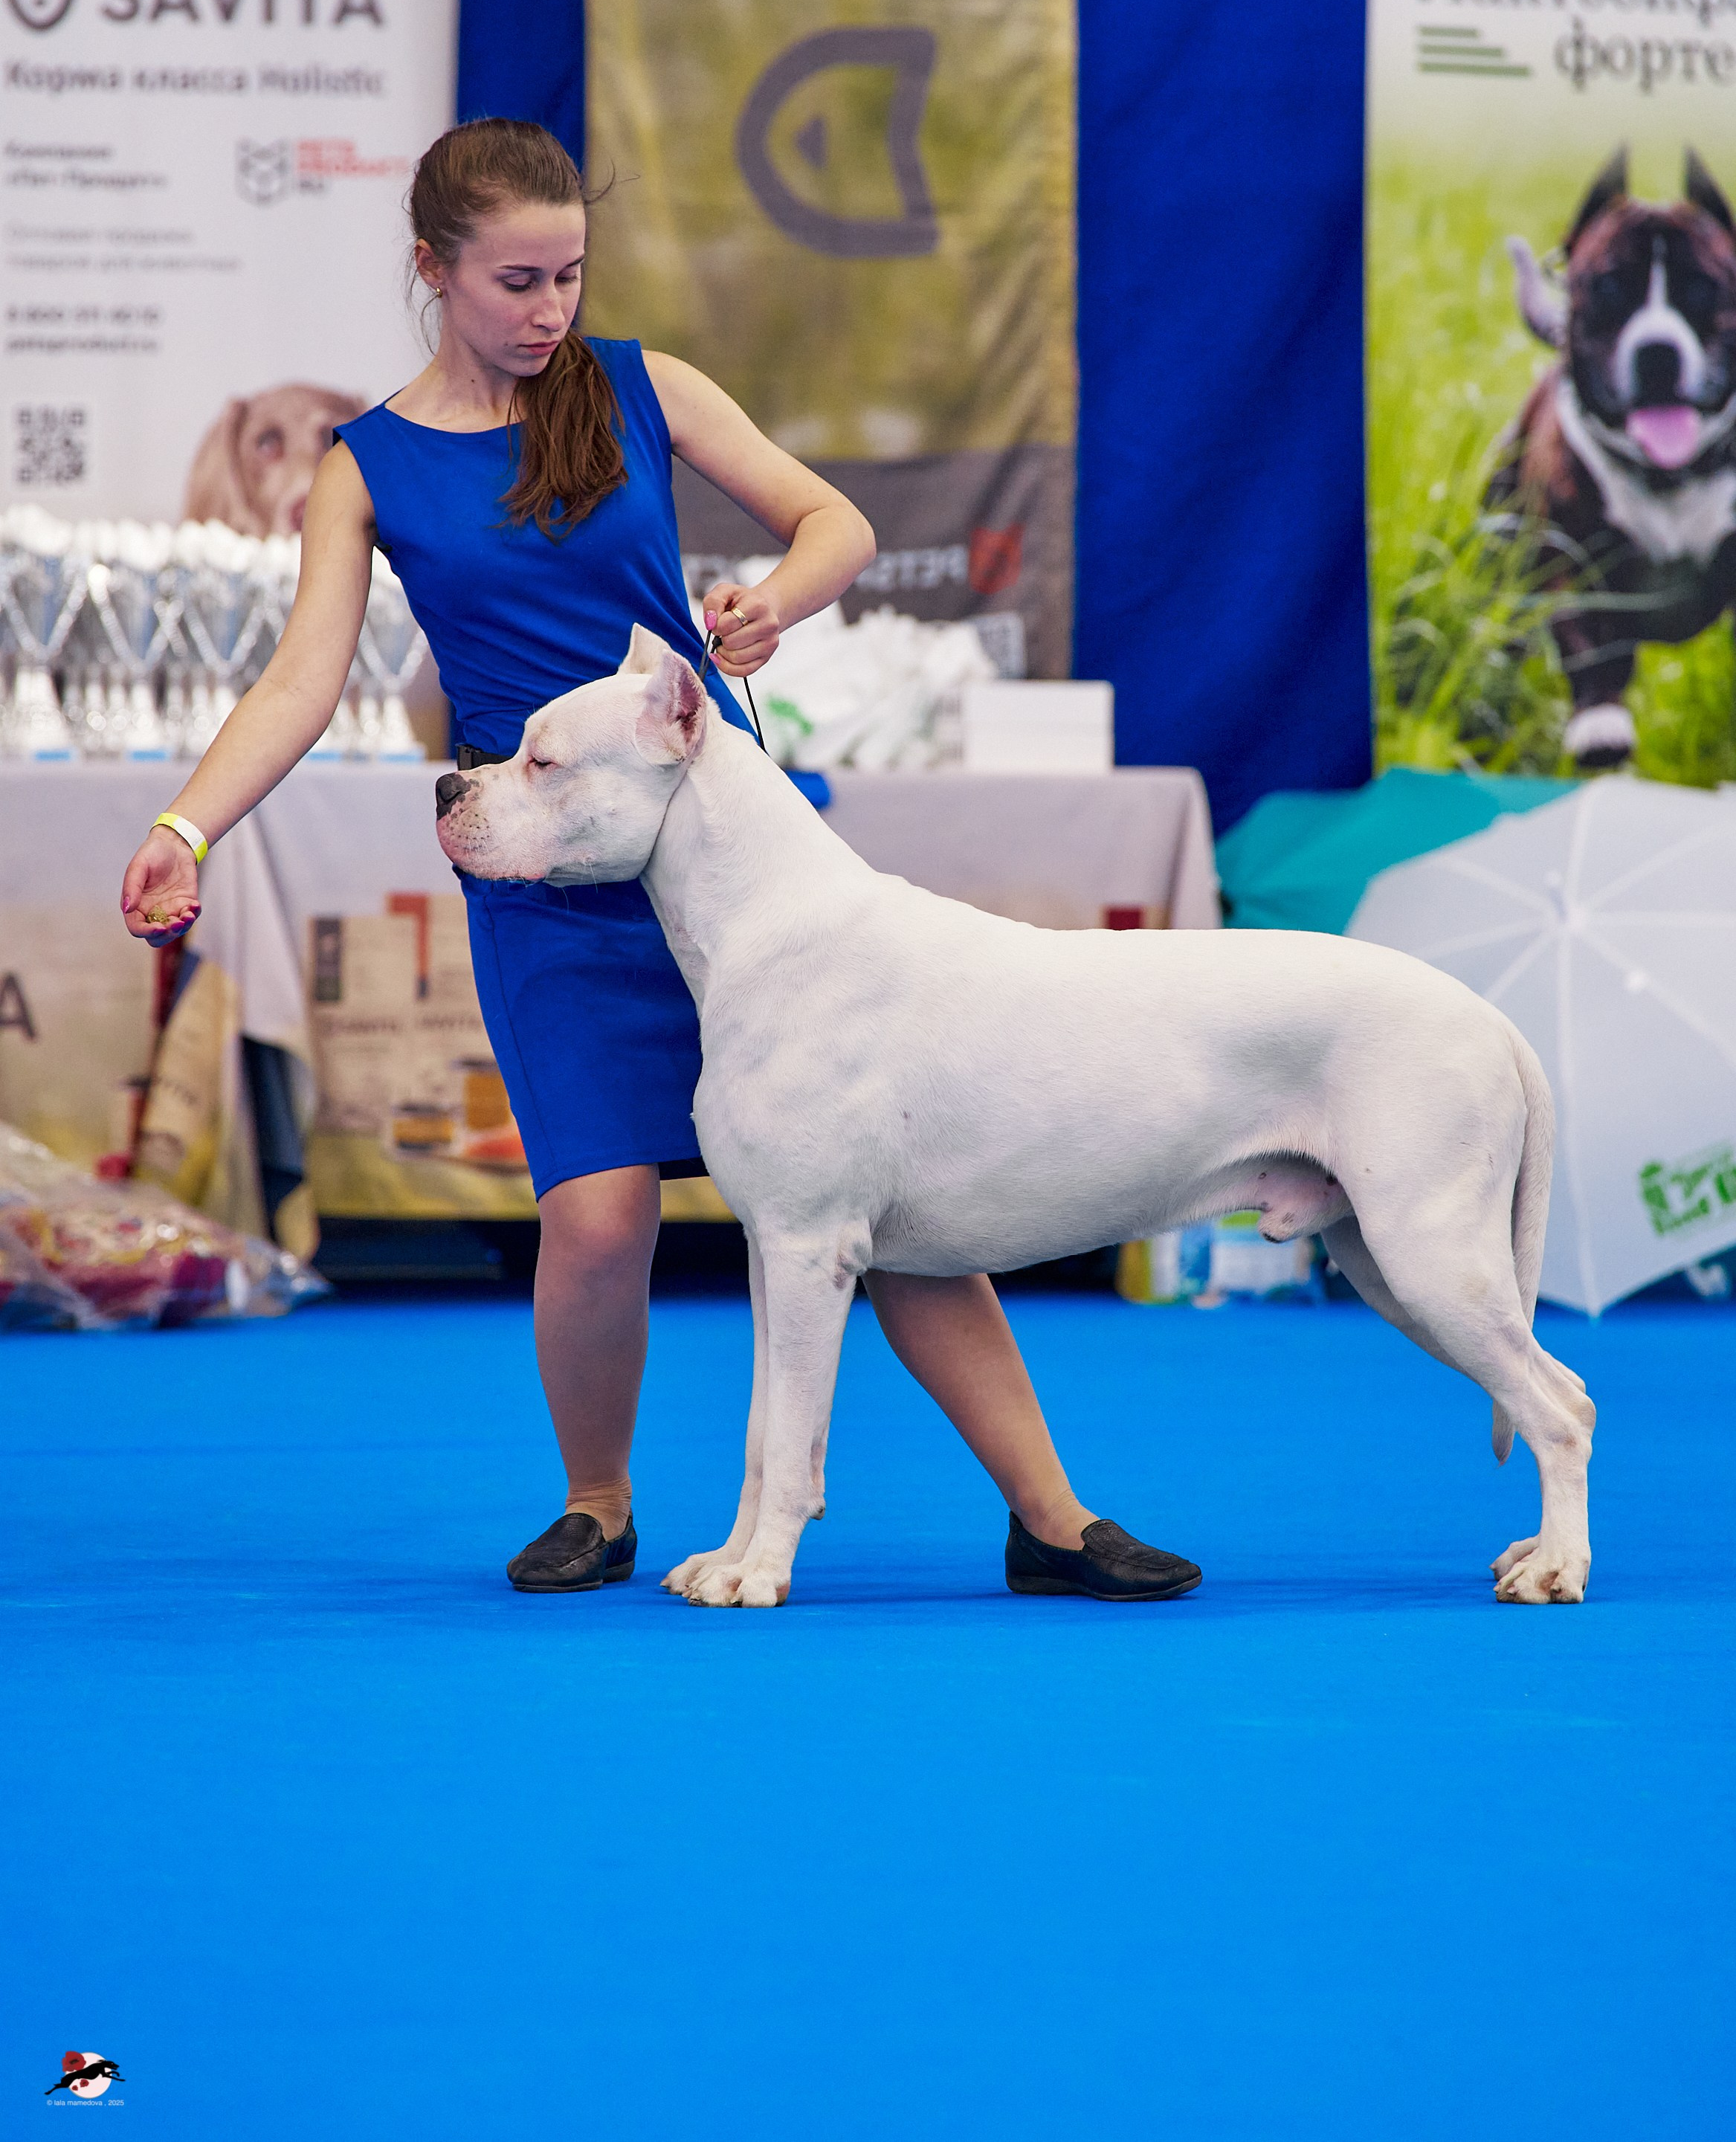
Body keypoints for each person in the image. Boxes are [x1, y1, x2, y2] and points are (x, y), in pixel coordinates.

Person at [120, 118, 1198, 1605]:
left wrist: (774, 602)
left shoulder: (645, 387)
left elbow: (836, 523)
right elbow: (305, 683)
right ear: (430, 269)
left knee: (897, 1205)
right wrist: (186, 826)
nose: (549, 307)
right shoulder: (361, 467)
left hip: (744, 858)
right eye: (515, 279)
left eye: (568, 273)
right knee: (599, 1210)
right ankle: (599, 1499)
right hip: (549, 866)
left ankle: (1052, 1516)